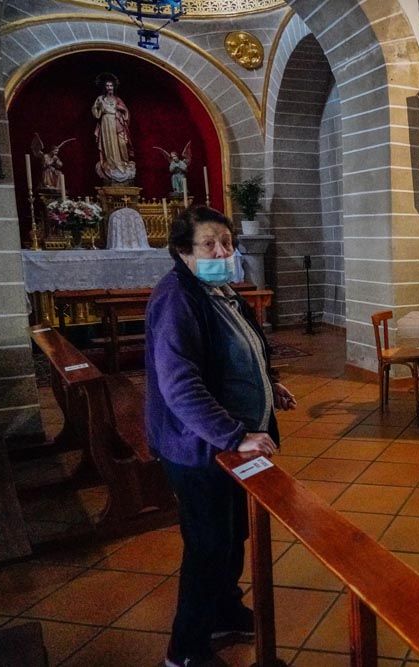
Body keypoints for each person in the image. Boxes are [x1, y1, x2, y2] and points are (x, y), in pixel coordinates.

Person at [145, 206, 296, 667]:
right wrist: (235, 435)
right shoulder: (177, 298)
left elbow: (241, 349)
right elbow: (180, 385)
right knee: (208, 545)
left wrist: (270, 385)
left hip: (226, 446)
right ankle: (185, 650)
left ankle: (224, 611)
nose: (222, 251)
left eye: (226, 243)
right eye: (209, 243)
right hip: (200, 448)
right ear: (182, 251)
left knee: (232, 537)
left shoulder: (218, 289)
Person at [92, 73, 136, 183]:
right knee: (108, 144)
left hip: (116, 122)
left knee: (122, 143)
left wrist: (122, 110)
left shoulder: (117, 99)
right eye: (107, 86)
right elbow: (95, 111)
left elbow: (126, 112)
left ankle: (123, 164)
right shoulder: (100, 99)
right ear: (104, 87)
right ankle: (111, 165)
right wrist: (100, 109)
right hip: (106, 122)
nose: (109, 88)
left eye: (111, 86)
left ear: (114, 87)